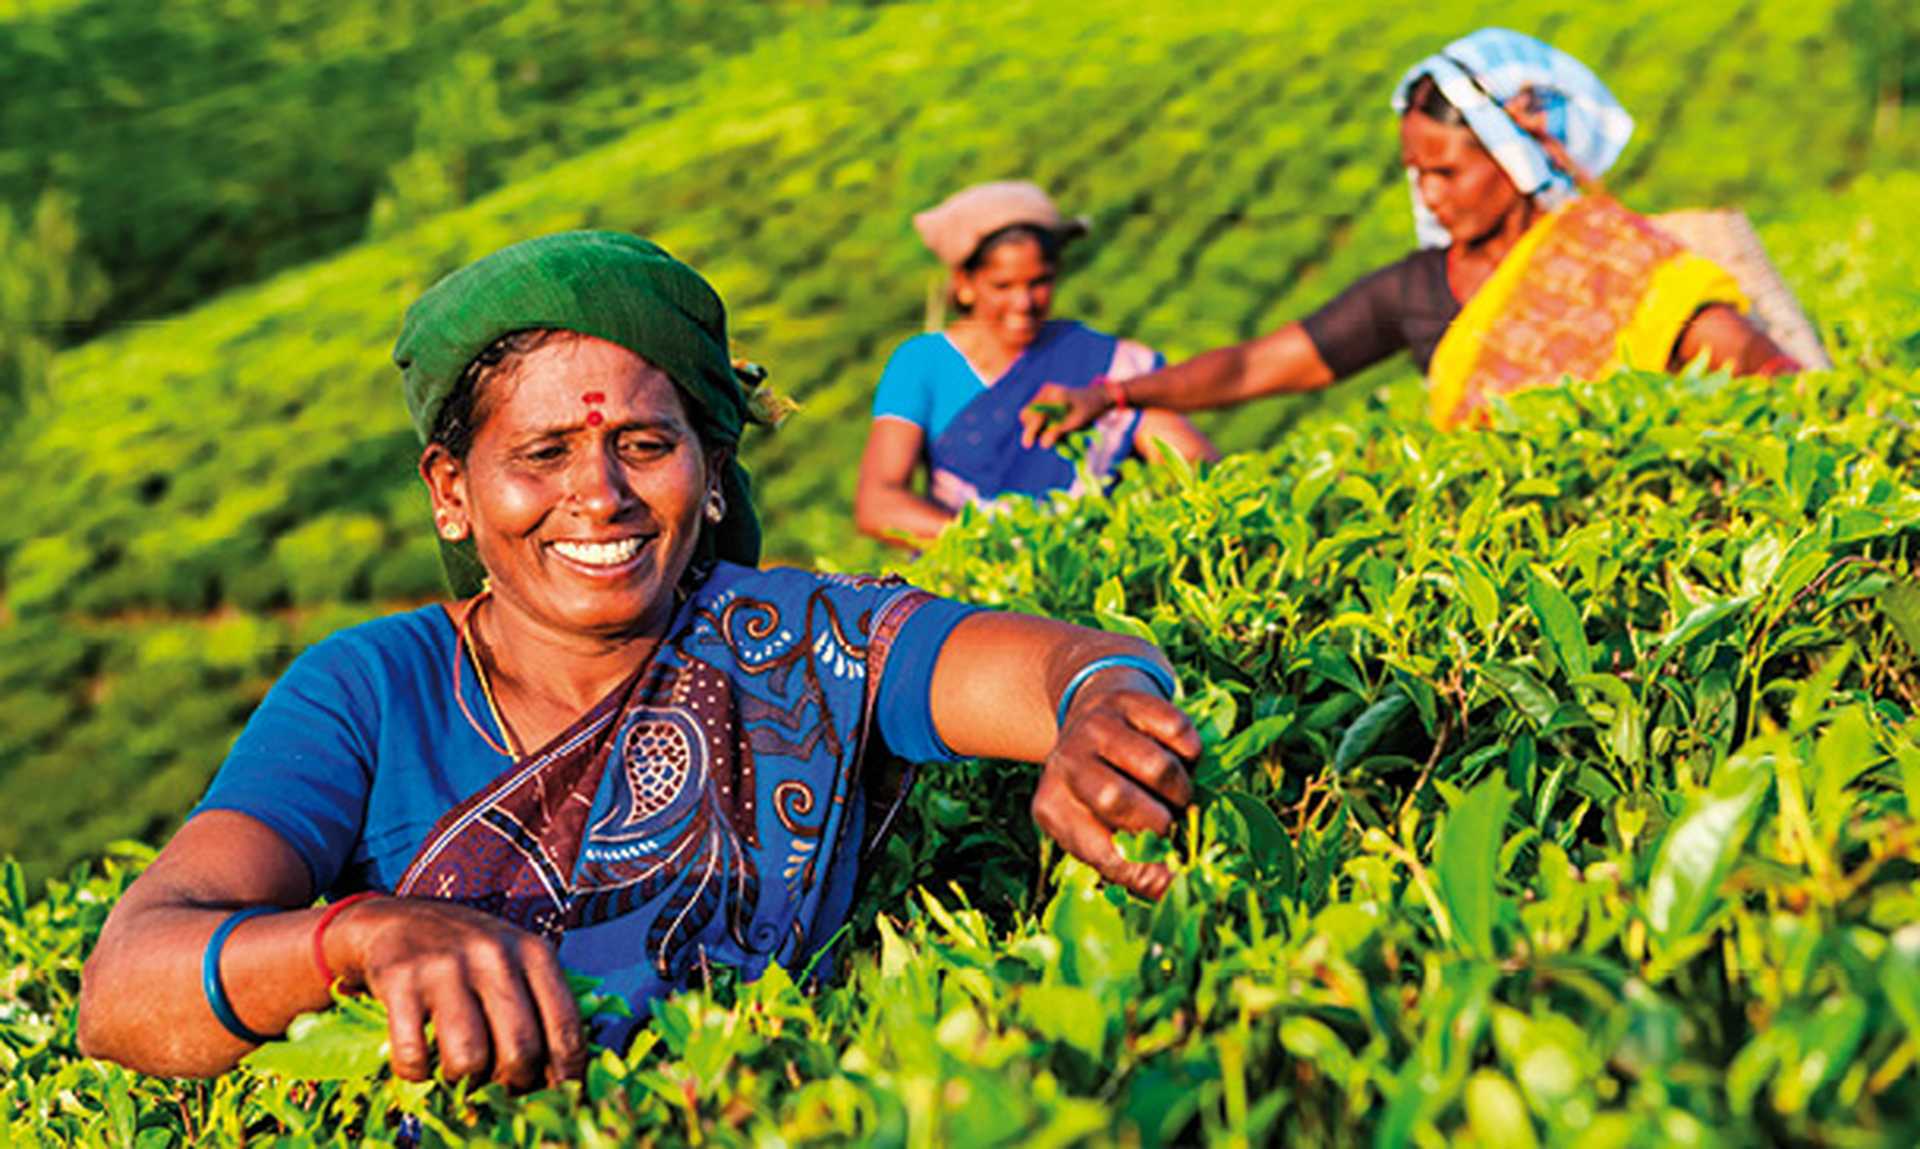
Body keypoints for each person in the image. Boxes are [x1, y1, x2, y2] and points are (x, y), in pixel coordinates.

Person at [77, 232, 1199, 1088]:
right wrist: (359, 938)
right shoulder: (368, 691)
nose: (599, 496)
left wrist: (1100, 714)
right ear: (452, 493)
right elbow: (128, 984)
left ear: (712, 475)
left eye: (646, 446)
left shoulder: (803, 640)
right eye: (543, 453)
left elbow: (1067, 668)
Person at [1019, 28, 1799, 446]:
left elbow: (1736, 351)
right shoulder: (1416, 289)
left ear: (1513, 157)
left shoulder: (1610, 262)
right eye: (1414, 171)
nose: (1427, 193)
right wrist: (1114, 393)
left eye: (1447, 172)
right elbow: (1261, 363)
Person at [856, 181, 1215, 547]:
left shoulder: (1107, 363)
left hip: (1087, 570)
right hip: (970, 583)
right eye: (1002, 286)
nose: (1024, 302)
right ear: (965, 283)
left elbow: (1194, 467)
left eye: (1039, 282)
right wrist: (998, 546)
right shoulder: (922, 364)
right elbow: (878, 503)